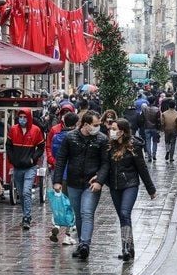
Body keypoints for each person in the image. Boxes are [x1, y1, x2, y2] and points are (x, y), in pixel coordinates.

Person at [53, 111, 109, 260]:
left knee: (87, 212)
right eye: (95, 125)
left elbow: (105, 163)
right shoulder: (70, 137)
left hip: (91, 183)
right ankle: (81, 244)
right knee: (78, 214)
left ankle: (85, 244)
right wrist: (57, 181)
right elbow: (61, 160)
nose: (98, 127)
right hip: (73, 182)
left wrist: (100, 180)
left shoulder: (102, 139)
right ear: (86, 124)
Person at [106, 119, 156, 261]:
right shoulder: (110, 146)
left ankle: (126, 247)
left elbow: (142, 168)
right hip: (114, 185)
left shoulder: (133, 147)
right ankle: (130, 247)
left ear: (122, 131)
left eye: (114, 128)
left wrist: (150, 189)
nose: (111, 130)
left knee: (124, 212)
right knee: (123, 217)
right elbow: (104, 166)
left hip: (130, 184)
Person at [6, 109, 45, 229]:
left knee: (26, 191)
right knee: (21, 193)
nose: (22, 119)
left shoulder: (35, 130)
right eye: (20, 117)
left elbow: (41, 146)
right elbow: (9, 146)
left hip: (30, 167)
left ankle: (27, 217)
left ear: (28, 118)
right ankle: (25, 214)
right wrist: (12, 159)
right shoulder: (13, 130)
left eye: (24, 117)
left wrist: (33, 158)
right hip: (18, 167)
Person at [49, 112, 79, 246]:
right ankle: (67, 235)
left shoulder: (56, 137)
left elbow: (56, 156)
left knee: (58, 203)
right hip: (71, 175)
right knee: (70, 206)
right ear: (76, 124)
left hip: (58, 175)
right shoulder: (76, 138)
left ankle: (55, 223)